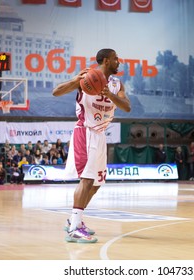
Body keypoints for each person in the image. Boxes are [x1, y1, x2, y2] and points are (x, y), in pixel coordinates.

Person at [53, 48, 131, 243]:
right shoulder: (86, 78)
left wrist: (109, 95)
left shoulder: (116, 83)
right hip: (85, 131)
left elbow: (127, 106)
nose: (118, 62)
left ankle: (74, 220)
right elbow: (56, 92)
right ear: (105, 60)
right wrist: (74, 81)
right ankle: (73, 230)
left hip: (100, 135)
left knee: (96, 184)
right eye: (115, 59)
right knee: (87, 180)